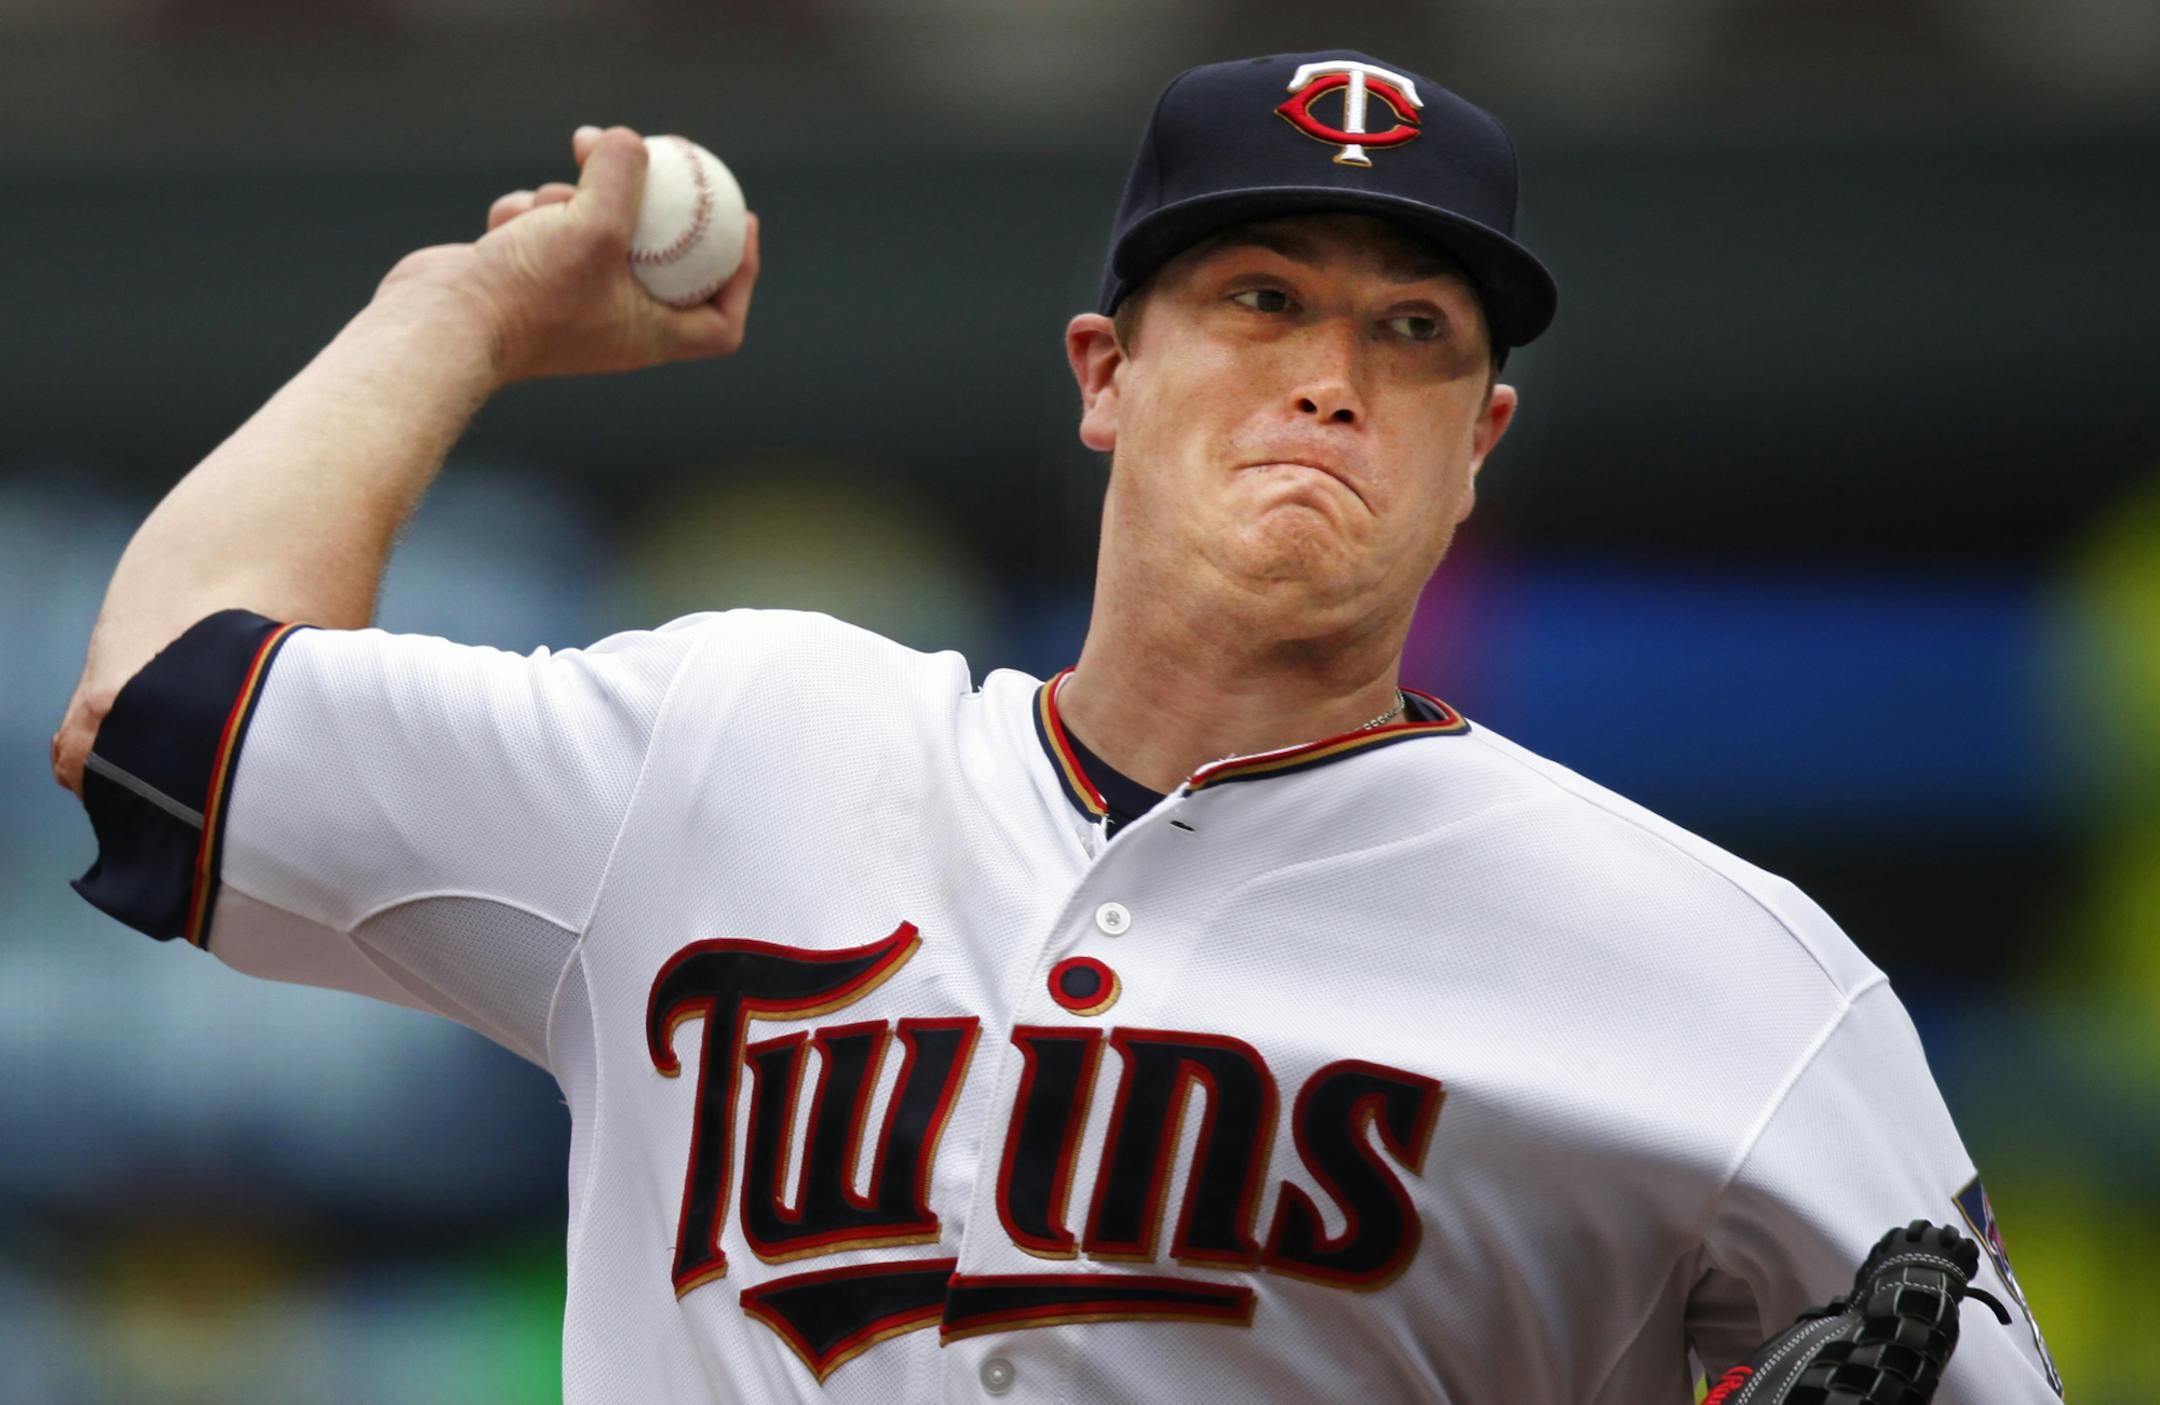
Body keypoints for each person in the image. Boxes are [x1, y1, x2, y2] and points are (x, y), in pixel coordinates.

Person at [53, 49, 2060, 1404]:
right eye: (1261, 296)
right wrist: (456, 314)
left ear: (1478, 448)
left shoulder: (1728, 976)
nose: (1331, 376)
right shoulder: (734, 740)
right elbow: (160, 717)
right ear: (1106, 372)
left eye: (1415, 332)